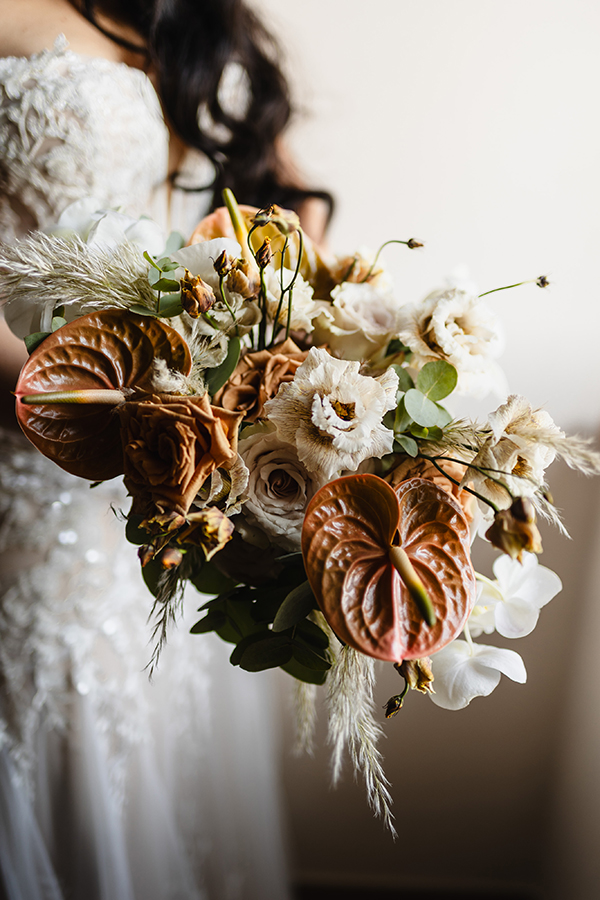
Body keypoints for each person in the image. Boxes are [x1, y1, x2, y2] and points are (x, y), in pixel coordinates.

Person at [0, 1, 331, 897]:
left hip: (160, 474)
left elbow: (286, 201)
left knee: (139, 723)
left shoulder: (185, 13)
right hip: (45, 439)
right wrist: (93, 403)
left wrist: (290, 354)